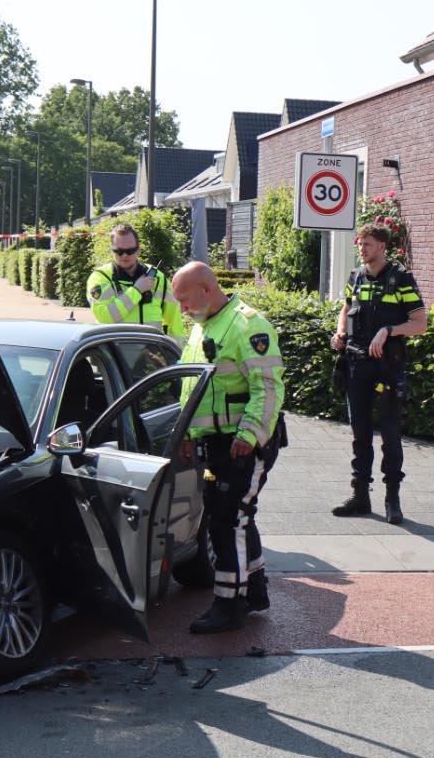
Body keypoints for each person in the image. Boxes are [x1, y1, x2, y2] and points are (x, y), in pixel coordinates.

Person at [171, 261, 285, 634]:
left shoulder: (246, 324)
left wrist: (249, 436)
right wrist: (188, 434)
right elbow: (194, 389)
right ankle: (254, 592)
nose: (182, 309)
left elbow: (268, 387)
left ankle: (229, 604)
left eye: (185, 300)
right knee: (238, 516)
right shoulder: (203, 326)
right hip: (215, 447)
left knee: (227, 520)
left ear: (207, 289)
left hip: (241, 447)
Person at [330, 224, 426, 524]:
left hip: (388, 367)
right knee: (360, 434)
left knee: (390, 436)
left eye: (367, 244)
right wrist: (340, 333)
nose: (361, 249)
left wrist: (388, 330)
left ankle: (392, 499)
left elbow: (420, 323)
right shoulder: (356, 277)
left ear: (382, 247)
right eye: (360, 244)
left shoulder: (400, 279)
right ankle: (360, 497)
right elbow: (345, 309)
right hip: (357, 364)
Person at [87, 223, 185, 337]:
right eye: (119, 251)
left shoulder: (158, 278)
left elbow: (174, 322)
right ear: (112, 250)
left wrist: (176, 353)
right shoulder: (101, 278)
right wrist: (137, 290)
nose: (124, 256)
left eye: (129, 251)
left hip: (151, 352)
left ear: (138, 250)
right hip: (113, 353)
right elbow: (105, 317)